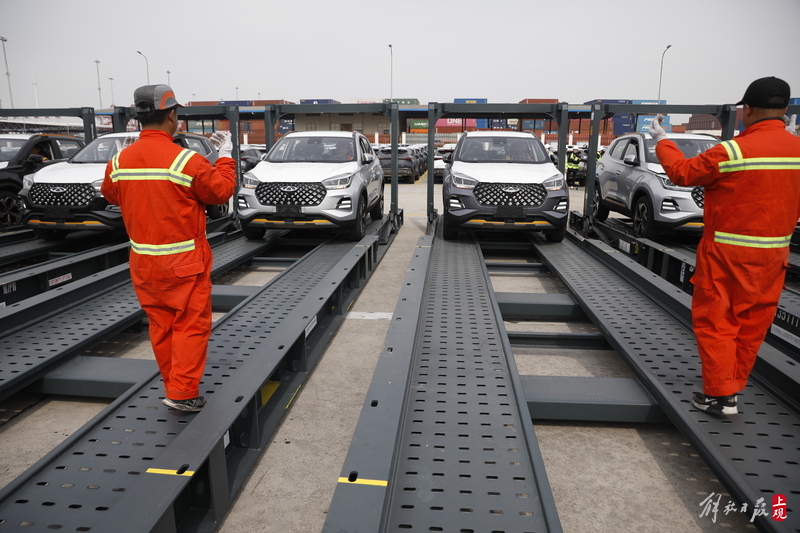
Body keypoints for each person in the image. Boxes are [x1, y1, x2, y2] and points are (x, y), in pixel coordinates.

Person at [649, 76, 800, 415]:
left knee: (718, 322)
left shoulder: (732, 150)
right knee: (752, 324)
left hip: (728, 255)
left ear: (746, 109)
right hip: (774, 257)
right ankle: (731, 387)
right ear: (785, 111)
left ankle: (719, 396)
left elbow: (682, 173)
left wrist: (663, 140)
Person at [101, 84, 237, 412]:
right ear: (172, 115)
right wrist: (226, 157)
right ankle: (182, 392)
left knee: (161, 327)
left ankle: (172, 385)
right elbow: (220, 192)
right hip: (184, 261)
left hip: (144, 262)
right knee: (190, 326)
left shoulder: (120, 160)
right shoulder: (185, 161)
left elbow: (111, 194)